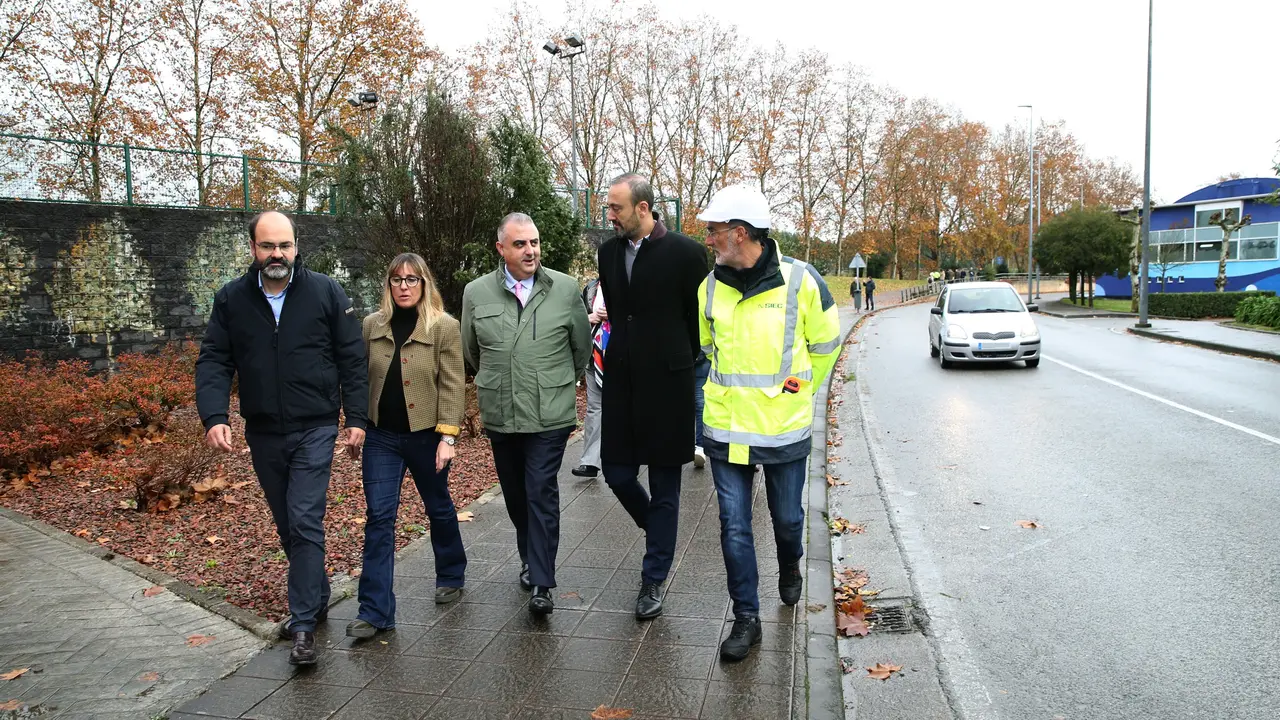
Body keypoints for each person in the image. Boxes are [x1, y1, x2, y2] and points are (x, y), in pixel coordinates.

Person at [195, 211, 368, 666]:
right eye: (268, 246)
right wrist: (214, 415)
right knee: (289, 524)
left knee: (305, 517)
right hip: (265, 430)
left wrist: (357, 418)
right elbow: (214, 360)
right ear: (253, 248)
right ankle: (317, 591)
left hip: (315, 425)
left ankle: (304, 626)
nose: (278, 255)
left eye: (285, 246)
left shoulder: (325, 291)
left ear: (296, 246)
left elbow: (352, 357)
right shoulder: (232, 299)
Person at [696, 185, 841, 662]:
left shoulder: (802, 281)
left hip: (783, 429)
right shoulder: (709, 287)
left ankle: (790, 564)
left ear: (740, 233)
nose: (710, 239)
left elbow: (826, 345)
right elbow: (705, 350)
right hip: (727, 431)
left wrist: (798, 393)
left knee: (788, 519)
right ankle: (746, 619)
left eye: (715, 231)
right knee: (733, 527)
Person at [461, 212, 590, 616]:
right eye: (520, 244)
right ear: (501, 249)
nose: (530, 250)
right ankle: (528, 555)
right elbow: (472, 351)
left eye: (534, 242)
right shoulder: (476, 293)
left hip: (549, 413)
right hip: (501, 410)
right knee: (516, 496)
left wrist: (553, 382)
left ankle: (542, 580)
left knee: (539, 490)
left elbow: (580, 349)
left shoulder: (565, 288)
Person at [596, 174, 707, 620]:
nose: (609, 215)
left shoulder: (686, 253)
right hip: (620, 383)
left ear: (643, 209)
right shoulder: (607, 253)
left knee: (665, 485)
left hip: (668, 386)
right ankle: (659, 531)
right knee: (617, 473)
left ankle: (653, 578)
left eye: (616, 208)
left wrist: (679, 358)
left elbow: (698, 319)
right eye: (608, 207)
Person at [351, 253, 467, 639]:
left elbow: (453, 383)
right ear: (388, 285)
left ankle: (451, 572)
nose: (403, 286)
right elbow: (358, 378)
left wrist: (448, 437)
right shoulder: (372, 325)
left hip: (427, 436)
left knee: (438, 506)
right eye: (396, 279)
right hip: (381, 437)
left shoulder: (444, 328)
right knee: (379, 518)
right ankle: (375, 611)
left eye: (412, 279)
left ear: (424, 283)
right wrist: (355, 424)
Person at [571, 277, 607, 479]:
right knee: (595, 409)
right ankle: (590, 463)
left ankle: (631, 458)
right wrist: (589, 316)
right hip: (594, 356)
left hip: (624, 357)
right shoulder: (591, 288)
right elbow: (575, 318)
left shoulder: (634, 281)